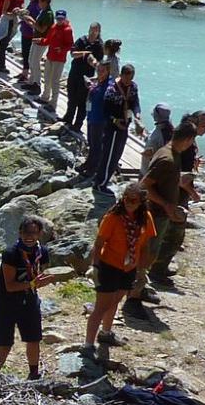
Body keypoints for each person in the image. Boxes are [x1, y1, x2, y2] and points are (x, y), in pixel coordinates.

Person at [0, 215, 72, 379]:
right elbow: (10, 286)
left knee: (33, 339)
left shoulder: (42, 252)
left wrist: (40, 282)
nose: (29, 237)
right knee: (5, 344)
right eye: (25, 232)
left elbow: (39, 273)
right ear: (19, 233)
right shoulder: (11, 253)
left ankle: (34, 375)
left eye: (33, 233)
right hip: (6, 302)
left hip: (29, 300)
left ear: (40, 233)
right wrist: (33, 284)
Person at [85, 184, 156, 359]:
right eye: (126, 199)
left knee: (115, 302)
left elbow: (146, 245)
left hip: (129, 267)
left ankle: (106, 333)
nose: (128, 203)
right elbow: (99, 243)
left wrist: (142, 270)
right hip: (109, 265)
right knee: (101, 307)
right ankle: (87, 345)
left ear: (141, 202)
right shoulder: (113, 217)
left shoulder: (145, 218)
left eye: (133, 200)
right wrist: (94, 267)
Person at [139, 120, 199, 291]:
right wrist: (166, 204)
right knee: (147, 254)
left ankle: (140, 288)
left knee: (152, 253)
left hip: (162, 213)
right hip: (155, 214)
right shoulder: (167, 158)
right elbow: (145, 186)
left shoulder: (172, 153)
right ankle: (134, 295)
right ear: (188, 140)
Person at [94, 63, 143, 193]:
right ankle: (100, 183)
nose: (128, 81)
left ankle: (106, 180)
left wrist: (137, 114)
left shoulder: (133, 87)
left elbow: (135, 103)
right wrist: (115, 121)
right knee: (108, 155)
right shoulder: (112, 89)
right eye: (126, 78)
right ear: (121, 75)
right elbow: (105, 110)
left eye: (130, 78)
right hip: (113, 126)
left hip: (125, 125)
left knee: (117, 154)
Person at [62, 22, 103, 133]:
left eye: (95, 30)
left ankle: (78, 124)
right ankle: (68, 118)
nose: (93, 32)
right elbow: (73, 54)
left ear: (99, 32)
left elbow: (98, 62)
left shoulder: (99, 45)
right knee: (71, 97)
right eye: (91, 30)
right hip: (75, 72)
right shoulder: (81, 40)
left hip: (87, 77)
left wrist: (91, 60)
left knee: (82, 101)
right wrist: (85, 53)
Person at [82, 60, 114, 181]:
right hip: (92, 116)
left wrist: (91, 88)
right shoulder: (99, 82)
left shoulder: (109, 85)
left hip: (100, 120)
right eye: (98, 70)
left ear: (108, 71)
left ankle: (93, 169)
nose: (99, 73)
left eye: (102, 71)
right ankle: (88, 163)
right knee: (91, 142)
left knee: (97, 145)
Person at [39, 9, 76, 114]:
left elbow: (70, 45)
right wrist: (41, 41)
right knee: (46, 77)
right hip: (50, 56)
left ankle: (53, 103)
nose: (59, 20)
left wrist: (62, 49)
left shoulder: (67, 30)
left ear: (65, 19)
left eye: (61, 19)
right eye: (58, 18)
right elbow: (48, 40)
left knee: (55, 81)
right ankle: (45, 97)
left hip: (59, 59)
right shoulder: (53, 27)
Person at [139, 103, 176, 173]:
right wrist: (143, 134)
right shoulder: (166, 130)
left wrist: (149, 154)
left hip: (150, 173)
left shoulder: (160, 134)